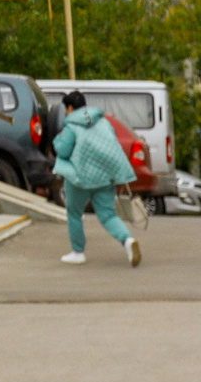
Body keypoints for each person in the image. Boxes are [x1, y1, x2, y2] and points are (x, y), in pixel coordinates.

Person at [53, 90, 141, 266]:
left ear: (70, 108)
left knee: (75, 213)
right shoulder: (103, 122)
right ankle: (127, 241)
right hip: (105, 175)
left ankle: (78, 252)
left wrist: (57, 140)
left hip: (81, 178)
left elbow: (63, 150)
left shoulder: (71, 126)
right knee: (108, 215)